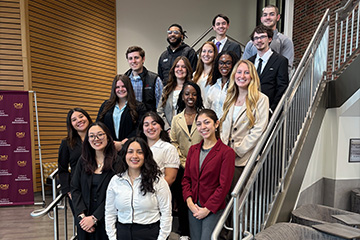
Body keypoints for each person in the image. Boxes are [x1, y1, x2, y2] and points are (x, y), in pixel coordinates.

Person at [182, 109, 235, 240]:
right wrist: (189, 202)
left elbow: (224, 186)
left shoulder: (226, 152)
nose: (203, 127)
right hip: (193, 206)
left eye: (207, 122)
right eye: (199, 124)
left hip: (212, 208)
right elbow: (186, 180)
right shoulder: (193, 150)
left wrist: (207, 209)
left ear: (216, 124)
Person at [105, 137, 172, 240]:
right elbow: (110, 213)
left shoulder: (157, 181)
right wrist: (112, 237)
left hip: (149, 233)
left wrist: (162, 237)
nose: (134, 156)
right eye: (130, 152)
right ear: (124, 155)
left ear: (145, 155)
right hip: (123, 233)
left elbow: (166, 213)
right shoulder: (116, 180)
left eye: (140, 152)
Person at [220, 59, 269, 187]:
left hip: (243, 160)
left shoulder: (261, 99)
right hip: (224, 157)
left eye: (246, 73)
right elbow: (222, 127)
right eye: (239, 72)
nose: (242, 76)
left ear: (252, 76)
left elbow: (258, 130)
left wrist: (237, 151)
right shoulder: (229, 97)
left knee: (238, 200)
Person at [71, 122, 119, 240]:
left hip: (107, 219)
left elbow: (117, 195)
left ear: (108, 136)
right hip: (84, 221)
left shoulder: (118, 162)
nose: (95, 139)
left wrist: (94, 218)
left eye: (100, 135)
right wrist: (82, 218)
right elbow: (75, 188)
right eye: (91, 136)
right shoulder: (83, 161)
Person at [170, 81, 204, 239]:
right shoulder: (176, 119)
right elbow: (173, 142)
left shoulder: (204, 117)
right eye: (187, 94)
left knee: (199, 200)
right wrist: (183, 161)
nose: (190, 97)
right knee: (183, 201)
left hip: (202, 165)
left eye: (194, 94)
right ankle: (184, 233)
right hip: (182, 167)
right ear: (182, 97)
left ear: (198, 97)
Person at [97, 74, 147, 151]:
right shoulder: (106, 105)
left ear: (129, 87)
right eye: (117, 87)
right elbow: (99, 124)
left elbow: (140, 128)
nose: (121, 89)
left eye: (123, 86)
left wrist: (122, 143)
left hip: (130, 147)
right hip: (108, 147)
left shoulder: (139, 106)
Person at [58, 108, 92, 214]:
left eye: (81, 116)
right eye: (74, 119)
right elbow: (62, 169)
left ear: (87, 117)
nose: (79, 120)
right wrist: (68, 191)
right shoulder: (66, 143)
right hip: (77, 189)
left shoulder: (98, 138)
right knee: (82, 223)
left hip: (97, 186)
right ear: (71, 124)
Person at [248, 25, 289, 111]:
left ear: (270, 39)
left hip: (268, 109)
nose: (259, 40)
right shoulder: (249, 62)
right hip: (249, 108)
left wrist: (272, 108)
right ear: (253, 42)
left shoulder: (281, 61)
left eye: (262, 37)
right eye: (256, 38)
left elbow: (282, 87)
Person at [242, 5, 294, 71]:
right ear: (261, 19)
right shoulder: (251, 44)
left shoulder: (285, 41)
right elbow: (244, 66)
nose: (268, 17)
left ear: (278, 17)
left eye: (272, 14)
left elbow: (287, 67)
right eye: (265, 15)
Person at [138, 111, 180, 186]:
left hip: (158, 193)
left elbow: (170, 178)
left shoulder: (169, 148)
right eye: (146, 125)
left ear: (161, 127)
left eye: (154, 124)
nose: (150, 127)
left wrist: (152, 191)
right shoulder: (138, 147)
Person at [157, 56, 193, 131]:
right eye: (177, 66)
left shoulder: (193, 89)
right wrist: (167, 128)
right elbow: (160, 111)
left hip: (188, 130)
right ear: (173, 69)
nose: (180, 69)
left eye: (183, 67)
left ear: (187, 70)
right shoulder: (167, 89)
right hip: (170, 131)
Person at [124, 46, 163, 112]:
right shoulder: (124, 80)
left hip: (148, 120)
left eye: (136, 58)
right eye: (130, 58)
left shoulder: (155, 79)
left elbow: (161, 106)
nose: (133, 61)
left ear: (143, 59)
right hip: (129, 119)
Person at [205, 50, 239, 119]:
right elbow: (207, 109)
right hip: (213, 127)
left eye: (228, 63)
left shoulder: (237, 88)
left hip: (229, 127)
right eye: (221, 63)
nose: (224, 66)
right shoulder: (213, 87)